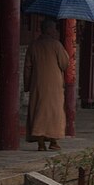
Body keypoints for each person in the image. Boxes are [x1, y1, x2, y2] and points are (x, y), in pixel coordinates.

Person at [24, 18, 70, 151]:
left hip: (37, 84)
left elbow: (27, 68)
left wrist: (27, 85)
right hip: (54, 85)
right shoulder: (56, 45)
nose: (56, 31)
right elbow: (64, 63)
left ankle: (41, 143)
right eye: (54, 28)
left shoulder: (33, 45)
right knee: (54, 112)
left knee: (38, 110)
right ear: (49, 29)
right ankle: (53, 141)